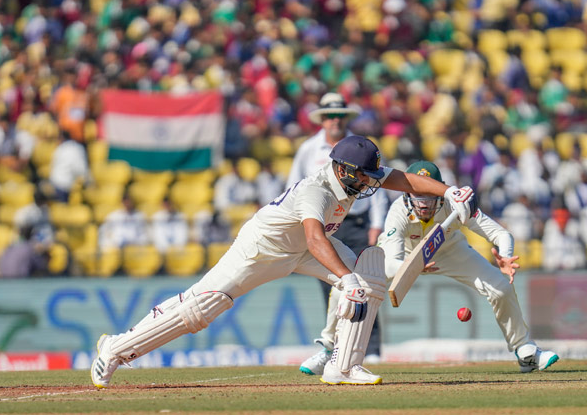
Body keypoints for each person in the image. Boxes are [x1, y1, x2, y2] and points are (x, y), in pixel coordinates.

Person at [91, 135, 479, 388]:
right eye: (365, 177)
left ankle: (343, 367)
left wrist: (451, 191)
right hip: (260, 251)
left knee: (370, 269)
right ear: (344, 170)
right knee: (201, 308)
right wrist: (345, 280)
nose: (371, 184)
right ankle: (115, 349)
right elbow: (314, 236)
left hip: (305, 251)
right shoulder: (316, 190)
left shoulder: (351, 178)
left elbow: (401, 180)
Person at [379, 161, 558, 372]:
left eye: (429, 196)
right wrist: (411, 266)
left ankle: (525, 351)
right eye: (419, 197)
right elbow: (391, 263)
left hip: (449, 250)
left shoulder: (456, 205)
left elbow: (501, 234)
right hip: (406, 256)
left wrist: (505, 255)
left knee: (500, 288)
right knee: (359, 287)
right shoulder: (397, 212)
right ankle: (331, 346)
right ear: (406, 195)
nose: (424, 205)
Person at [291, 93, 389, 374]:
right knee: (333, 285)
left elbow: (379, 184)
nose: (335, 120)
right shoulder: (308, 150)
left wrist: (376, 225)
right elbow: (294, 187)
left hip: (358, 224)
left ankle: (370, 350)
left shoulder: (362, 147)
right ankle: (332, 351)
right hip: (322, 226)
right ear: (321, 119)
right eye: (330, 115)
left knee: (367, 284)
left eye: (340, 115)